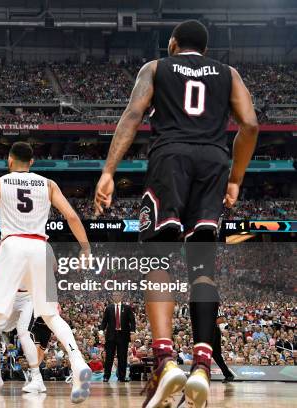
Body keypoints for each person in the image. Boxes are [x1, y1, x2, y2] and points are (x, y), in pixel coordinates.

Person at [94, 20, 258, 408]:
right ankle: (202, 363)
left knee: (158, 257)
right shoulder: (229, 73)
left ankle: (165, 358)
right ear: (205, 48)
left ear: (172, 44)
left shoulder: (155, 68)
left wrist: (108, 171)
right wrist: (235, 178)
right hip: (214, 161)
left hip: (171, 159)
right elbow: (250, 124)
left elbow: (133, 115)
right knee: (203, 267)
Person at [0, 142, 93, 405]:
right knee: (51, 316)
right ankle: (78, 363)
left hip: (13, 245)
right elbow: (73, 217)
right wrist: (85, 248)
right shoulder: (48, 184)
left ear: (9, 160)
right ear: (32, 163)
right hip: (41, 248)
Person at [101, 292, 135, 382]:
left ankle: (122, 377)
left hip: (123, 336)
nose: (115, 297)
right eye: (114, 295)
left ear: (121, 296)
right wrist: (101, 332)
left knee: (122, 357)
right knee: (109, 357)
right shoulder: (109, 308)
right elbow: (104, 321)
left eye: (117, 295)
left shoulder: (127, 308)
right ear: (112, 297)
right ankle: (106, 376)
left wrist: (132, 332)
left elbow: (132, 321)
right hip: (111, 336)